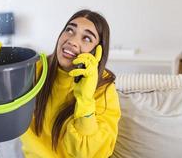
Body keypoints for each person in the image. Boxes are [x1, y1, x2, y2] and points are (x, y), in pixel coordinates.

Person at [20, 9, 121, 158]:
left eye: (87, 38)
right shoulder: (35, 69)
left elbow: (89, 154)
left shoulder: (103, 88)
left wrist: (85, 99)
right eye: (69, 30)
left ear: (97, 52)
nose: (72, 41)